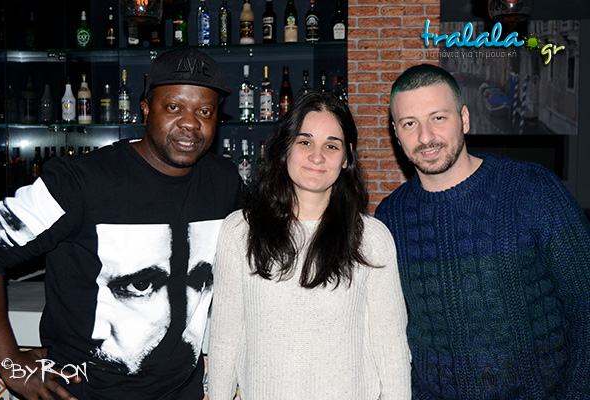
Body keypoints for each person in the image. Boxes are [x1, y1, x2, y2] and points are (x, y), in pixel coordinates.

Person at [0, 47, 242, 400]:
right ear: (145, 108)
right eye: (173, 107)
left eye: (204, 111)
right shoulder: (81, 182)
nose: (190, 122)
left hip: (181, 392)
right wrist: (10, 362)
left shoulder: (223, 182)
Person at [375, 63, 590, 399]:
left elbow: (585, 304)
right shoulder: (389, 217)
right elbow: (388, 329)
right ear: (396, 132)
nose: (426, 137)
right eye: (409, 123)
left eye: (438, 118)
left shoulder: (534, 189)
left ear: (464, 118)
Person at [207, 91, 411, 399]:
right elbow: (225, 339)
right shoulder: (240, 231)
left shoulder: (371, 238)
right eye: (305, 142)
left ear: (346, 158)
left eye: (331, 145)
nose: (317, 156)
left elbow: (391, 348)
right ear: (285, 148)